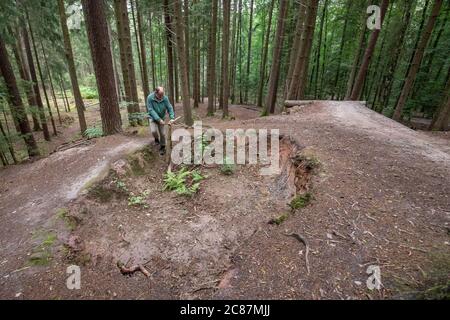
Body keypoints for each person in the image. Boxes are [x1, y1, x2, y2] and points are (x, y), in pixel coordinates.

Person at [146, 87, 175, 155]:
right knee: (153, 131)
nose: (161, 97)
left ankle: (162, 147)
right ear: (155, 93)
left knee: (163, 134)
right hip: (152, 117)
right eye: (160, 95)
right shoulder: (150, 98)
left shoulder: (165, 98)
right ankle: (156, 139)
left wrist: (172, 117)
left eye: (162, 95)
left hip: (162, 117)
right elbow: (150, 110)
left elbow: (169, 107)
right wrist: (158, 119)